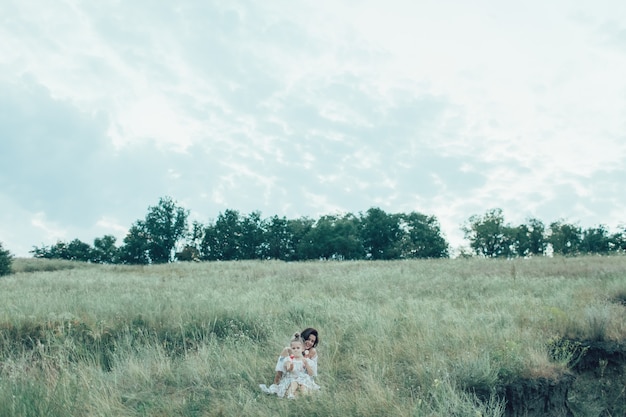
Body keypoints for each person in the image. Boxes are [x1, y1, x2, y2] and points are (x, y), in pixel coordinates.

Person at [259, 329, 320, 397]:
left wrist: (306, 360)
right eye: (308, 339)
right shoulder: (291, 349)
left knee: (302, 391)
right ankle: (277, 388)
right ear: (303, 338)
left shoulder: (312, 351)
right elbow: (281, 368)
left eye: (312, 341)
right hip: (291, 377)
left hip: (304, 379)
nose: (309, 342)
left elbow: (313, 373)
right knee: (293, 390)